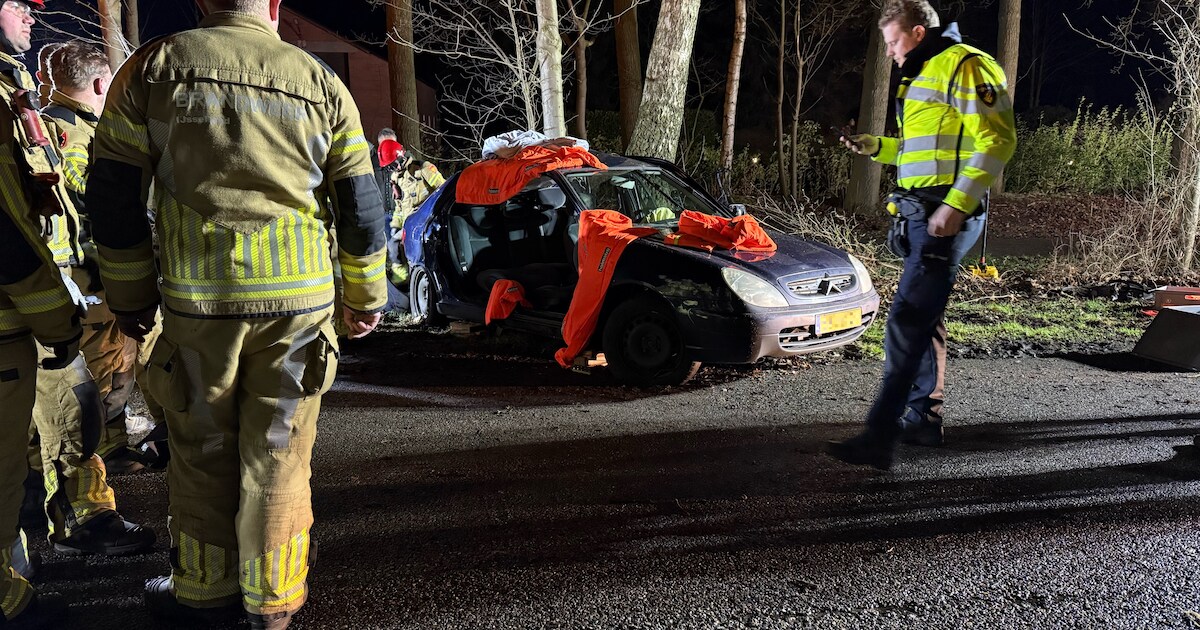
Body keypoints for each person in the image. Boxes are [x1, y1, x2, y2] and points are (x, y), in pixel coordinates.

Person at [86, 1, 388, 628]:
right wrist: (365, 299)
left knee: (201, 451)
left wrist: (131, 299)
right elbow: (362, 204)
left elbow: (113, 197)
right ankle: (272, 604)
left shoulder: (150, 71)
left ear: (201, 2)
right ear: (273, 5)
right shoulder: (320, 82)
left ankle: (202, 591)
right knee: (277, 453)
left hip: (200, 308)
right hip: (299, 313)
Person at [828, 0, 1016, 470]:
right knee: (923, 319)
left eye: (893, 41)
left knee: (906, 321)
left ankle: (878, 436)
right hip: (919, 214)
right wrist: (879, 147)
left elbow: (998, 138)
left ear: (916, 31)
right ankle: (922, 421)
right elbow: (926, 151)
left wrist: (956, 205)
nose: (889, 52)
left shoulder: (967, 65)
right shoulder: (923, 74)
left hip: (943, 214)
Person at [0, 0, 155, 560]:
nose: (31, 17)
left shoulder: (26, 108)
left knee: (72, 407)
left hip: (50, 289)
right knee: (74, 408)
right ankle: (82, 517)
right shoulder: (73, 133)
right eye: (19, 6)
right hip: (50, 292)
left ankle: (61, 517)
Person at [42, 40, 144, 474]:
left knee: (119, 361)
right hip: (89, 273)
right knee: (100, 369)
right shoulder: (73, 131)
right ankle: (91, 464)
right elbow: (86, 189)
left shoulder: (56, 124)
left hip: (93, 270)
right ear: (103, 83)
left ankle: (115, 445)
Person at [388, 142, 444, 285]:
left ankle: (423, 284)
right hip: (409, 225)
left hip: (427, 221)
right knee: (394, 245)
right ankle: (402, 285)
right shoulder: (396, 179)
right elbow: (399, 208)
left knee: (422, 255)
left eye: (393, 165)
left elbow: (443, 191)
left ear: (400, 158)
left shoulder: (423, 169)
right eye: (389, 167)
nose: (393, 169)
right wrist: (396, 226)